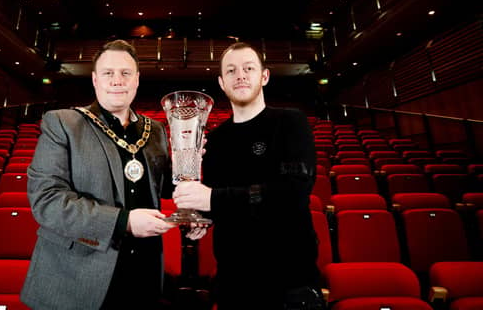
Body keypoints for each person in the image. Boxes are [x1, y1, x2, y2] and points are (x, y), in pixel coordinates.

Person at [21, 39, 183, 309]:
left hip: (143, 273)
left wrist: (185, 170)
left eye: (125, 73)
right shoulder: (63, 123)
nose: (117, 80)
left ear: (137, 80)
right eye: (109, 73)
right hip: (78, 277)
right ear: (95, 80)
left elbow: (163, 189)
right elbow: (47, 202)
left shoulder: (154, 130)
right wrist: (124, 222)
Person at [172, 42, 325, 309]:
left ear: (264, 76)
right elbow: (219, 203)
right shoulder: (215, 140)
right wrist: (201, 220)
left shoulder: (290, 122)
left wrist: (213, 201)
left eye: (248, 68)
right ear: (221, 82)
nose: (240, 75)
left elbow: (293, 194)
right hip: (233, 286)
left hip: (289, 285)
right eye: (231, 70)